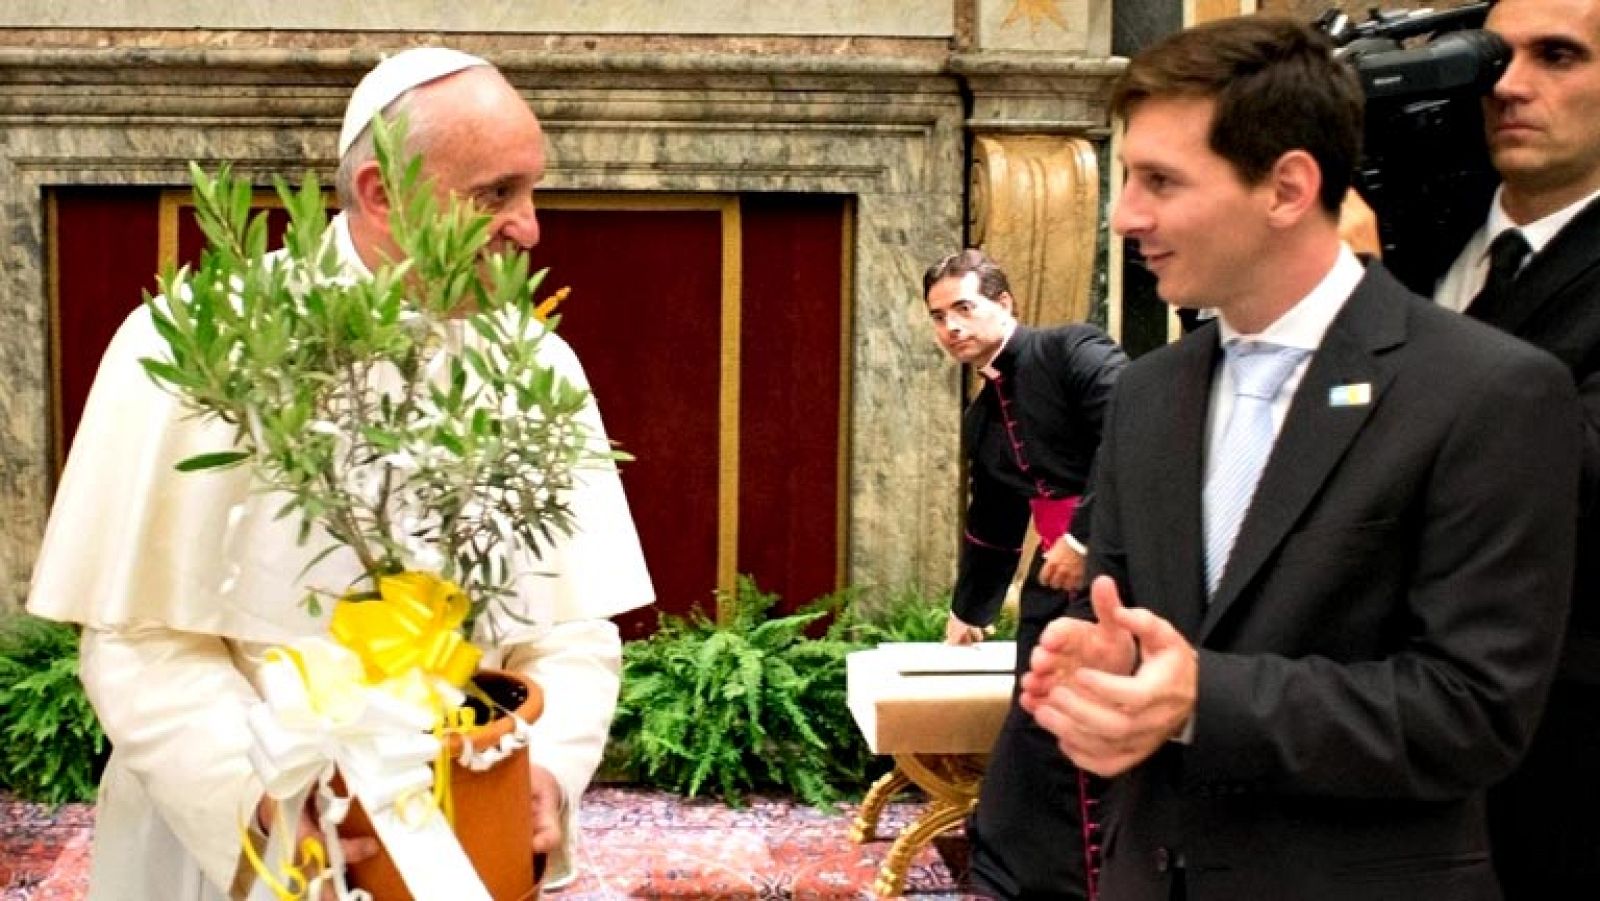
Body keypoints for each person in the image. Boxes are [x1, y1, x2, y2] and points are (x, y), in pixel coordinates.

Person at [25, 48, 655, 900]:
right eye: (495, 194)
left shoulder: (532, 361)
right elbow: (138, 643)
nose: (530, 228)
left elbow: (571, 632)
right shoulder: (188, 349)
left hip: (469, 839)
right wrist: (268, 802)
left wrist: (549, 768)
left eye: (531, 191)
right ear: (380, 193)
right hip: (249, 849)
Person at [1019, 16, 1580, 901]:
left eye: (1160, 179)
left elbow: (1474, 711)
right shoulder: (1147, 394)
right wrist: (1098, 667)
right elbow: (1135, 626)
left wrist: (1204, 698)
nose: (1126, 213)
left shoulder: (1490, 392)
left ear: (1286, 187)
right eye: (1130, 176)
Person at [1430, 1, 1600, 894]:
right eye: (1495, 55)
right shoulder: (1419, 221)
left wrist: (1365, 310)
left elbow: (1560, 478)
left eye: (1558, 56)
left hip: (1561, 759)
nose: (1509, 84)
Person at [923, 249, 1126, 899]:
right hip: (1055, 584)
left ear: (1004, 304)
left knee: (1063, 736)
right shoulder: (983, 415)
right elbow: (993, 522)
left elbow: (1141, 428)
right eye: (937, 316)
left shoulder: (1071, 350)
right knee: (1036, 731)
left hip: (1126, 570)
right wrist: (970, 610)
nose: (951, 326)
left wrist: (1084, 534)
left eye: (963, 307)